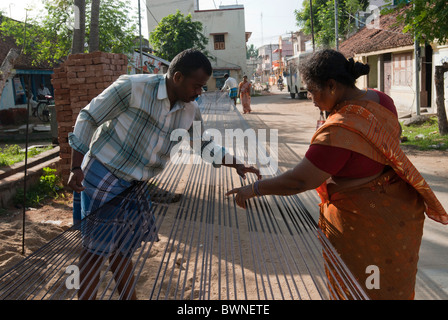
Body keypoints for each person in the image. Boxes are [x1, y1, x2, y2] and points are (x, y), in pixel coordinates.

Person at [226, 49, 448, 300]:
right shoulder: (381, 100)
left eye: (311, 90)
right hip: (399, 211)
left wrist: (254, 189)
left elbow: (302, 179)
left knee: (363, 289)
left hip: (366, 224)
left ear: (331, 85)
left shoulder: (339, 130)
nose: (310, 98)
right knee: (389, 286)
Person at [68, 49, 261, 300]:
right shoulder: (133, 88)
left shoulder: (190, 110)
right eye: (197, 86)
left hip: (134, 184)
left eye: (203, 87)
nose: (199, 92)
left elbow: (203, 145)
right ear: (178, 77)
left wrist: (236, 163)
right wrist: (75, 167)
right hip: (105, 174)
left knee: (121, 249)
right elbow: (88, 116)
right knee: (95, 251)